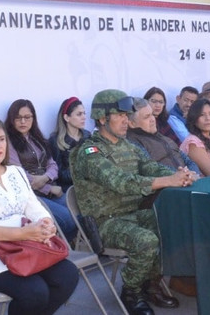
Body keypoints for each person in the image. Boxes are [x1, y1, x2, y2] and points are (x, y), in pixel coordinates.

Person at [70, 89, 194, 315]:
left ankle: (151, 284)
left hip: (133, 214)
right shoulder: (90, 152)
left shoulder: (126, 145)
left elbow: (148, 166)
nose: (126, 121)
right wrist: (167, 180)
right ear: (102, 119)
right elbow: (121, 182)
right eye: (120, 115)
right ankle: (131, 292)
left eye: (128, 115)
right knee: (146, 240)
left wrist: (179, 173)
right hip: (106, 222)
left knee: (170, 226)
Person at [0, 116, 79, 315]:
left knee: (68, 275)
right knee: (34, 291)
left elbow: (34, 207)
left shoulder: (15, 172)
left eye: (1, 139)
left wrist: (46, 224)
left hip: (22, 249)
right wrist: (25, 234)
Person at [5, 99, 77, 242]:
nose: (23, 121)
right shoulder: (8, 143)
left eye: (27, 117)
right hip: (33, 197)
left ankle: (65, 248)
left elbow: (53, 165)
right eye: (18, 118)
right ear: (11, 120)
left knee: (79, 212)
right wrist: (49, 188)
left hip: (49, 190)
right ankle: (61, 250)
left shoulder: (37, 139)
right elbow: (19, 175)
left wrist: (45, 179)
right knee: (68, 219)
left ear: (33, 118)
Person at [126, 98, 201, 175]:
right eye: (146, 117)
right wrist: (183, 175)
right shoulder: (133, 143)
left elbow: (188, 161)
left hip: (190, 180)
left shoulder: (162, 137)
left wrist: (194, 173)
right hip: (171, 184)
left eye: (152, 114)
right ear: (132, 123)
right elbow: (151, 169)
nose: (152, 119)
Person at [47, 97, 90, 188]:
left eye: (84, 113)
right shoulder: (55, 140)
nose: (84, 117)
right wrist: (84, 172)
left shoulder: (87, 136)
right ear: (67, 117)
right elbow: (58, 173)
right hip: (69, 188)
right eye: (79, 114)